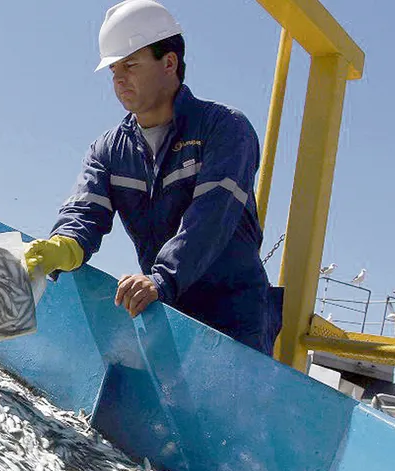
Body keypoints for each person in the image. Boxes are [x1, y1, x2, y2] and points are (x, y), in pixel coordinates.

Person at [24, 0, 283, 356]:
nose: (118, 78)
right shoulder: (110, 150)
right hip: (168, 313)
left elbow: (211, 217)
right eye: (113, 68)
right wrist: (62, 245)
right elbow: (85, 214)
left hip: (235, 321)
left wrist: (162, 278)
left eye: (129, 65)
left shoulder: (224, 128)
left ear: (169, 63)